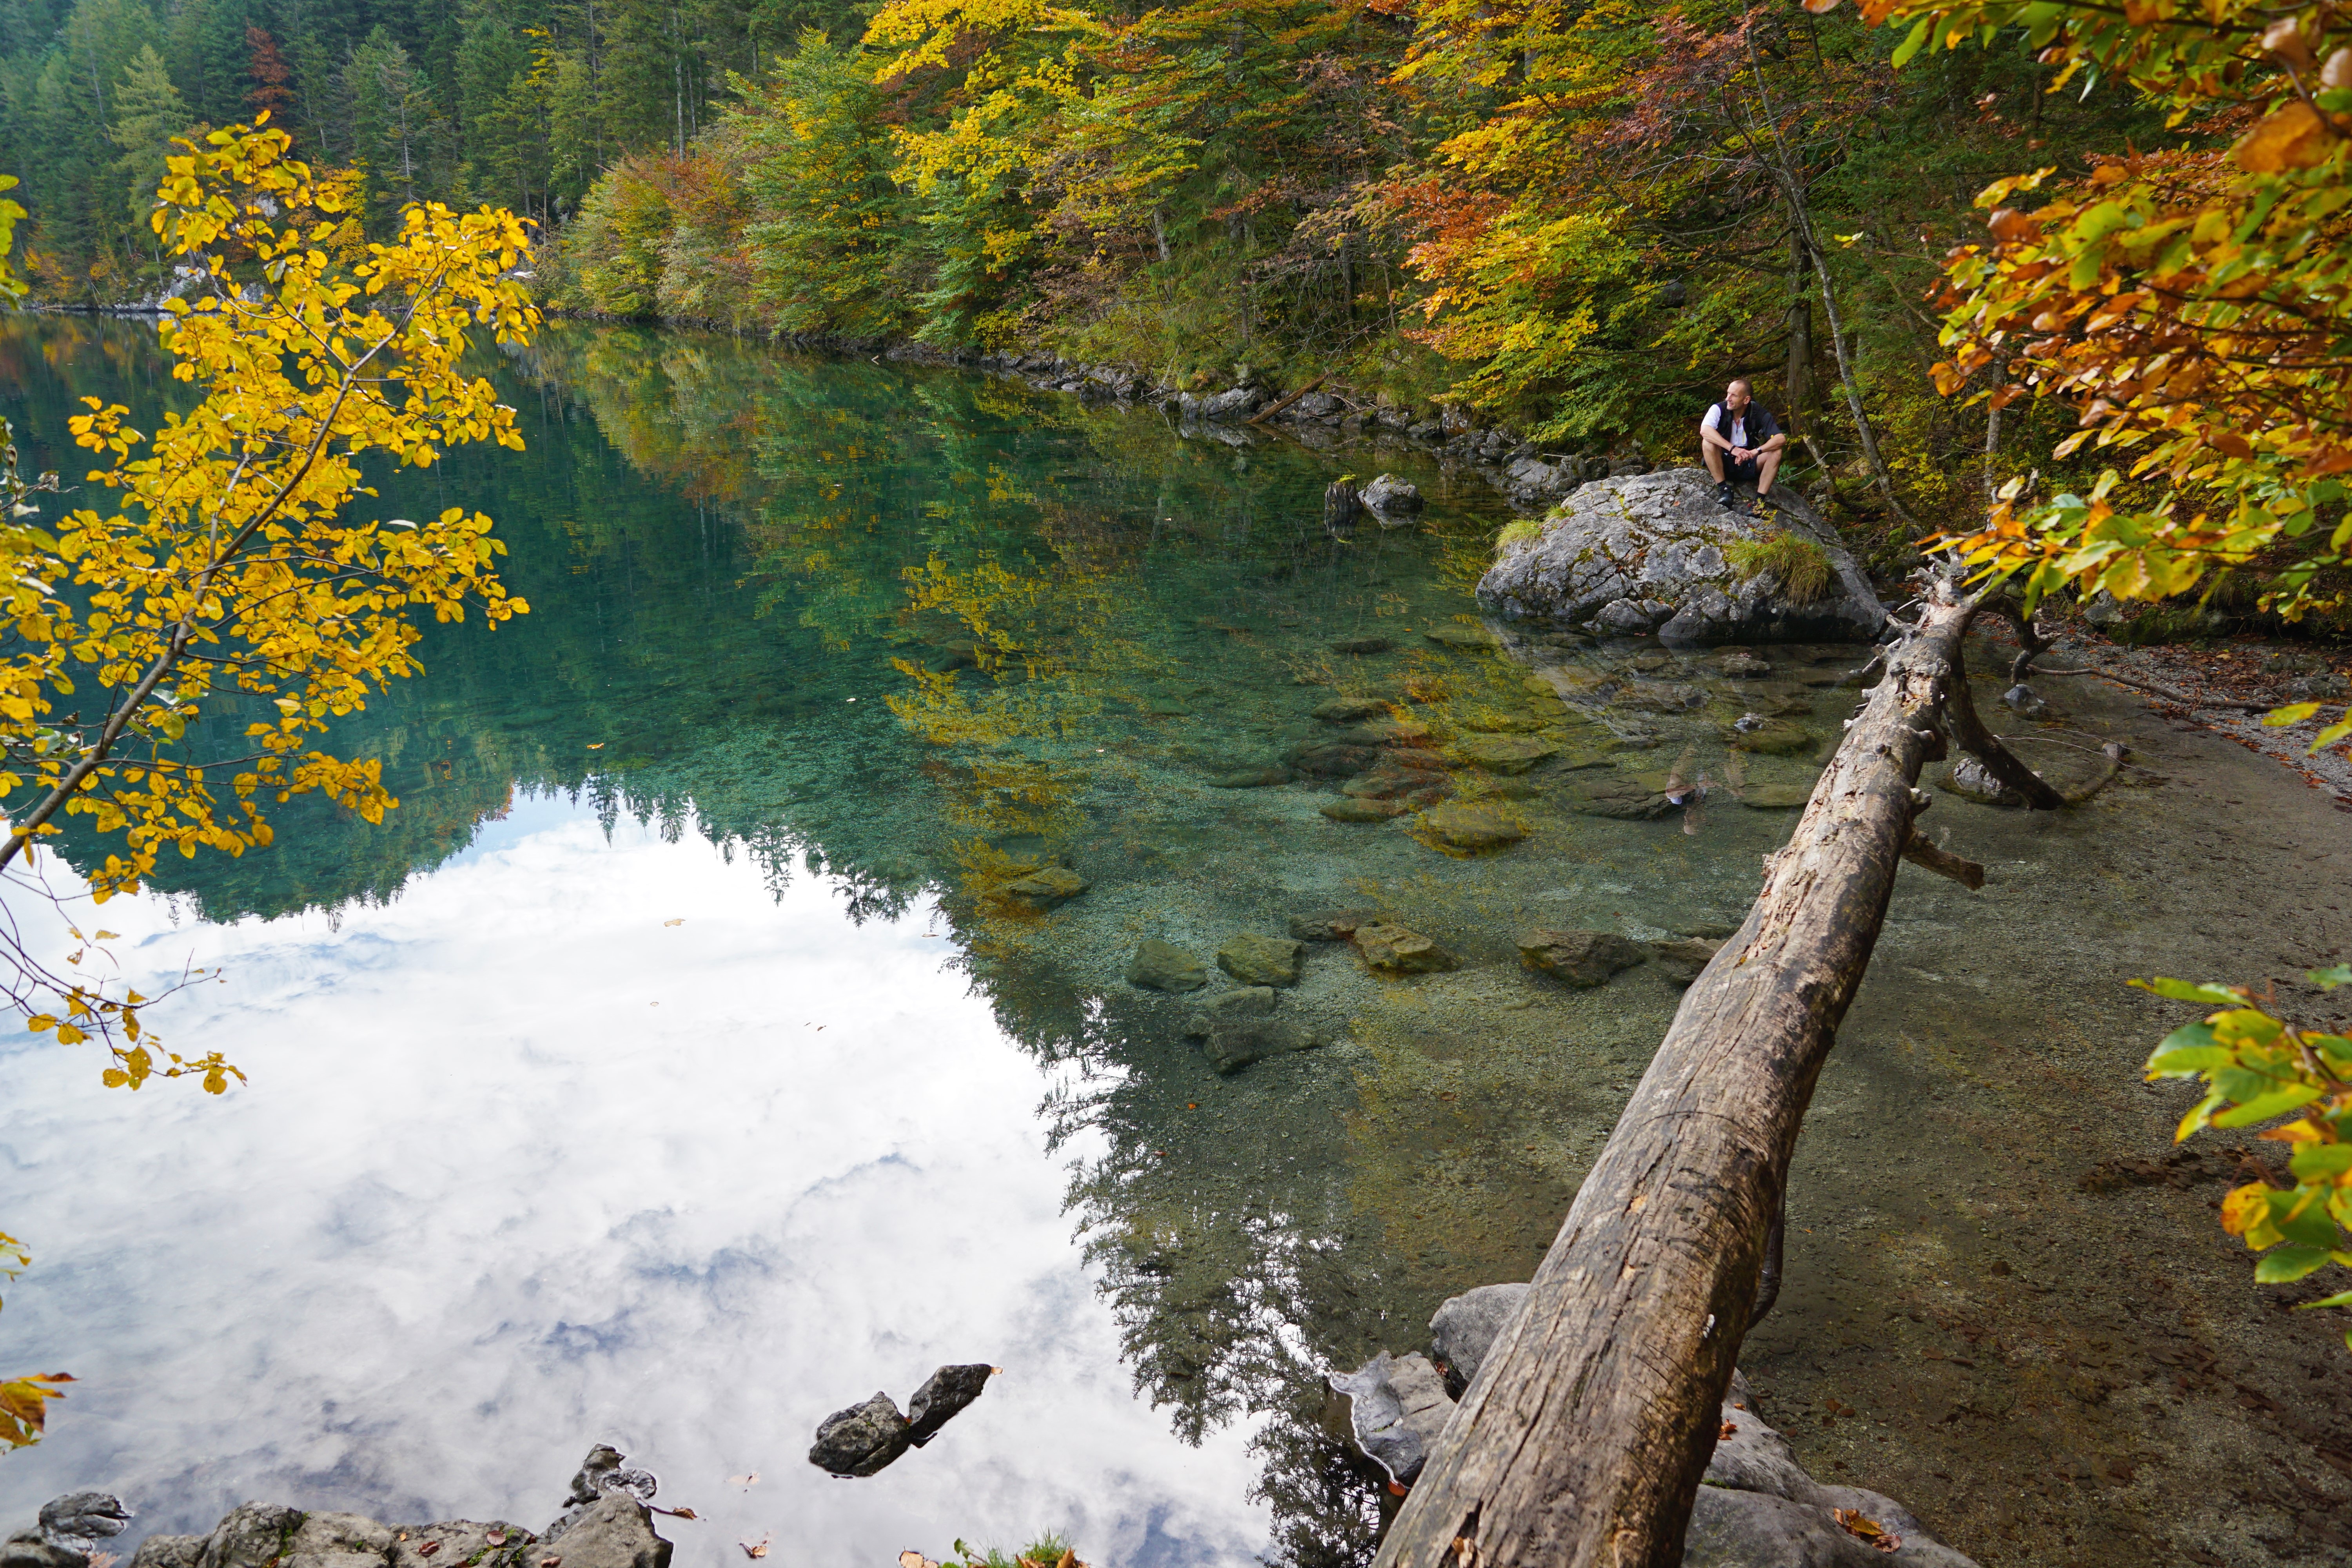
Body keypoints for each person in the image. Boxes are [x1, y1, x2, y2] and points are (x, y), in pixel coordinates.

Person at [1699, 378, 1785, 510]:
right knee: (1708, 442)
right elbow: (1705, 430)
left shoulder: (1758, 412)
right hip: (1723, 462)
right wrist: (1733, 449)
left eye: (1734, 395)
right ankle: (1725, 490)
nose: (1728, 398)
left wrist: (1755, 452)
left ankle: (1758, 504)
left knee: (1776, 452)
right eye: (1728, 394)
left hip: (1748, 462)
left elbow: (1780, 439)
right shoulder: (1719, 409)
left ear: (1746, 400)